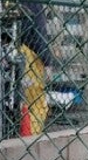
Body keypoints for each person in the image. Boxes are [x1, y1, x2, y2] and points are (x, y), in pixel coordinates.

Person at [18, 1, 59, 134]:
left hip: (10, 52)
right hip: (30, 57)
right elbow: (39, 35)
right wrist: (48, 62)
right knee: (36, 103)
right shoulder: (34, 3)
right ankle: (30, 136)